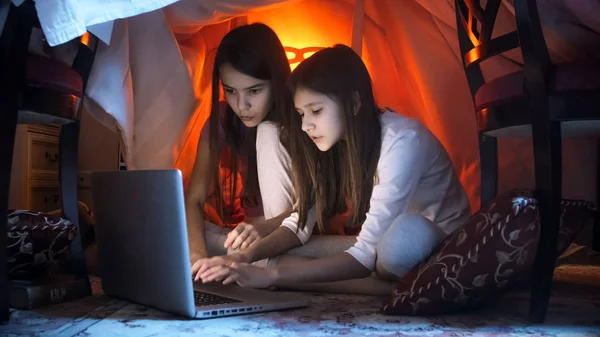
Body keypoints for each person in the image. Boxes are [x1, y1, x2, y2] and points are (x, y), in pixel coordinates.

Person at [193, 44, 471, 293]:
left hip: (437, 246)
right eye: (301, 114)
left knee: (399, 242)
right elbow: (299, 223)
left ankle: (384, 287)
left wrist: (270, 274)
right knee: (291, 250)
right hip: (377, 248)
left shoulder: (403, 140)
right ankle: (383, 285)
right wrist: (241, 258)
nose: (305, 126)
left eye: (316, 111)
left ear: (352, 104)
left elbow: (364, 255)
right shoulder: (335, 144)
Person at [186, 23, 297, 267]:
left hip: (294, 233)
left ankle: (259, 263)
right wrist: (196, 258)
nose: (241, 105)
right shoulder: (224, 118)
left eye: (254, 91)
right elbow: (194, 199)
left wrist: (266, 226)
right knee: (175, 230)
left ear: (277, 81)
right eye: (230, 91)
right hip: (250, 238)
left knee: (269, 132)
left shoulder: (303, 117)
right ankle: (242, 262)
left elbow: (312, 211)